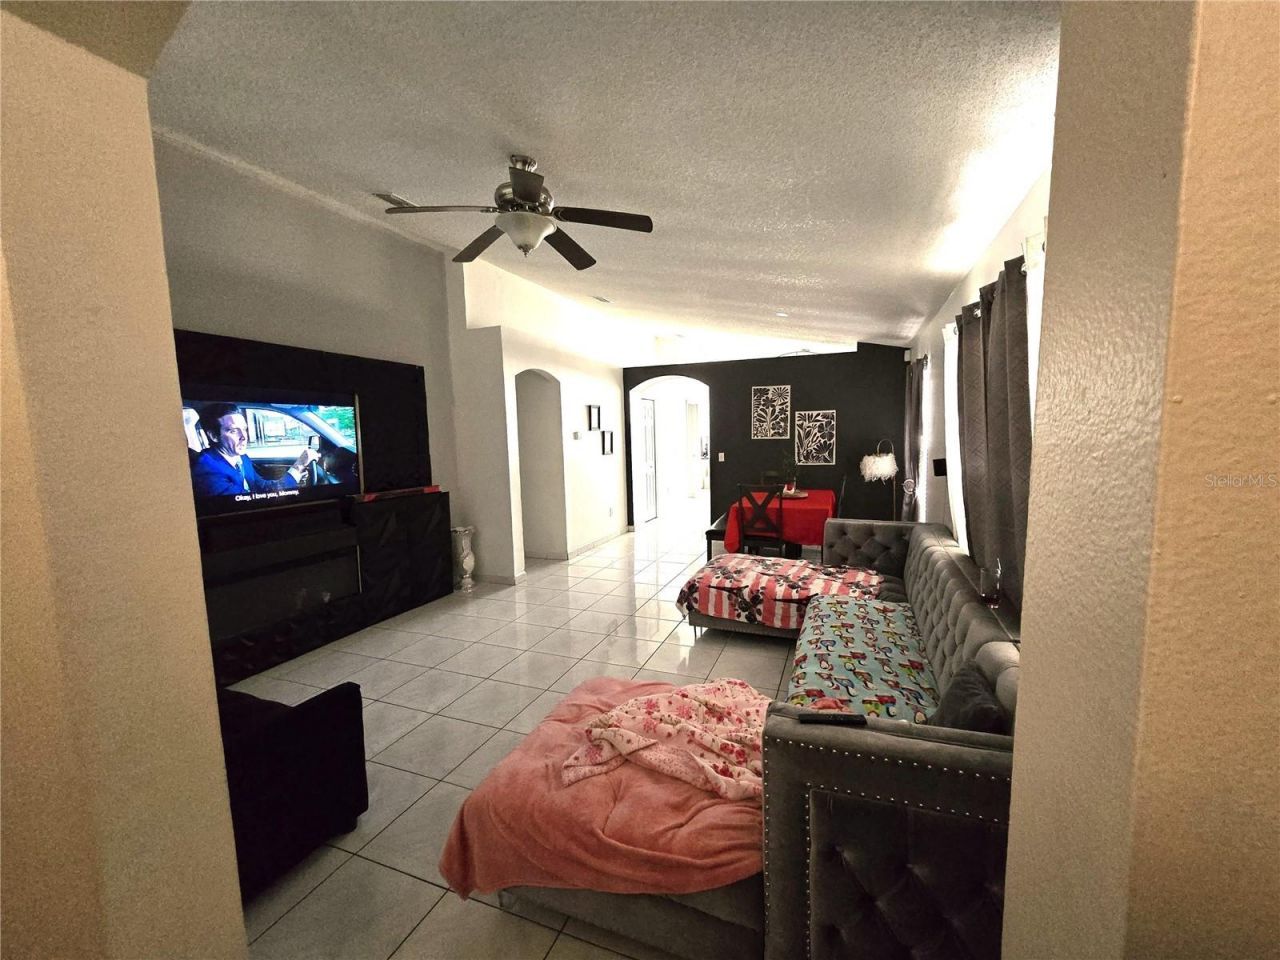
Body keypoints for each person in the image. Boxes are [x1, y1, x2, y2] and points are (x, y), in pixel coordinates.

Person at [191, 402, 319, 498]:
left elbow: (261, 487)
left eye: (244, 429)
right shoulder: (206, 471)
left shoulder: (241, 457)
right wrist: (298, 466)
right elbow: (249, 501)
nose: (244, 437)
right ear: (214, 436)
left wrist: (296, 475)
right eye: (233, 431)